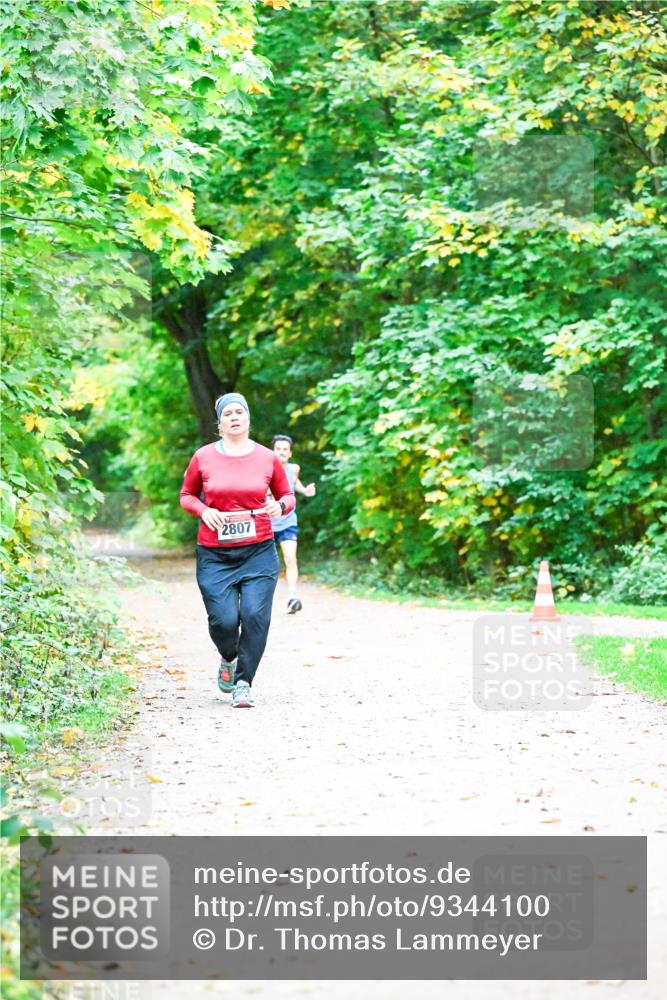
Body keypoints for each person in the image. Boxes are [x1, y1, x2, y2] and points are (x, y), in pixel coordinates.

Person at [179, 393, 295, 708]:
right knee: (223, 621)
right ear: (219, 423)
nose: (234, 417)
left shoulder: (266, 457)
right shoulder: (203, 457)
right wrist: (204, 511)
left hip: (258, 551)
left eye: (239, 412)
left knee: (255, 616)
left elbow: (286, 495)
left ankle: (243, 682)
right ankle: (228, 657)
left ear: (247, 419)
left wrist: (279, 506)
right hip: (215, 554)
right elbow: (187, 495)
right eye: (227, 413)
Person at [270, 434, 316, 614]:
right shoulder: (264, 469)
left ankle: (292, 597)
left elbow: (294, 483)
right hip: (267, 523)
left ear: (290, 453)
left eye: (284, 450)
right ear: (272, 452)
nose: (281, 452)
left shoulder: (294, 468)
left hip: (288, 521)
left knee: (290, 558)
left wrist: (305, 490)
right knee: (267, 564)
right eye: (278, 449)